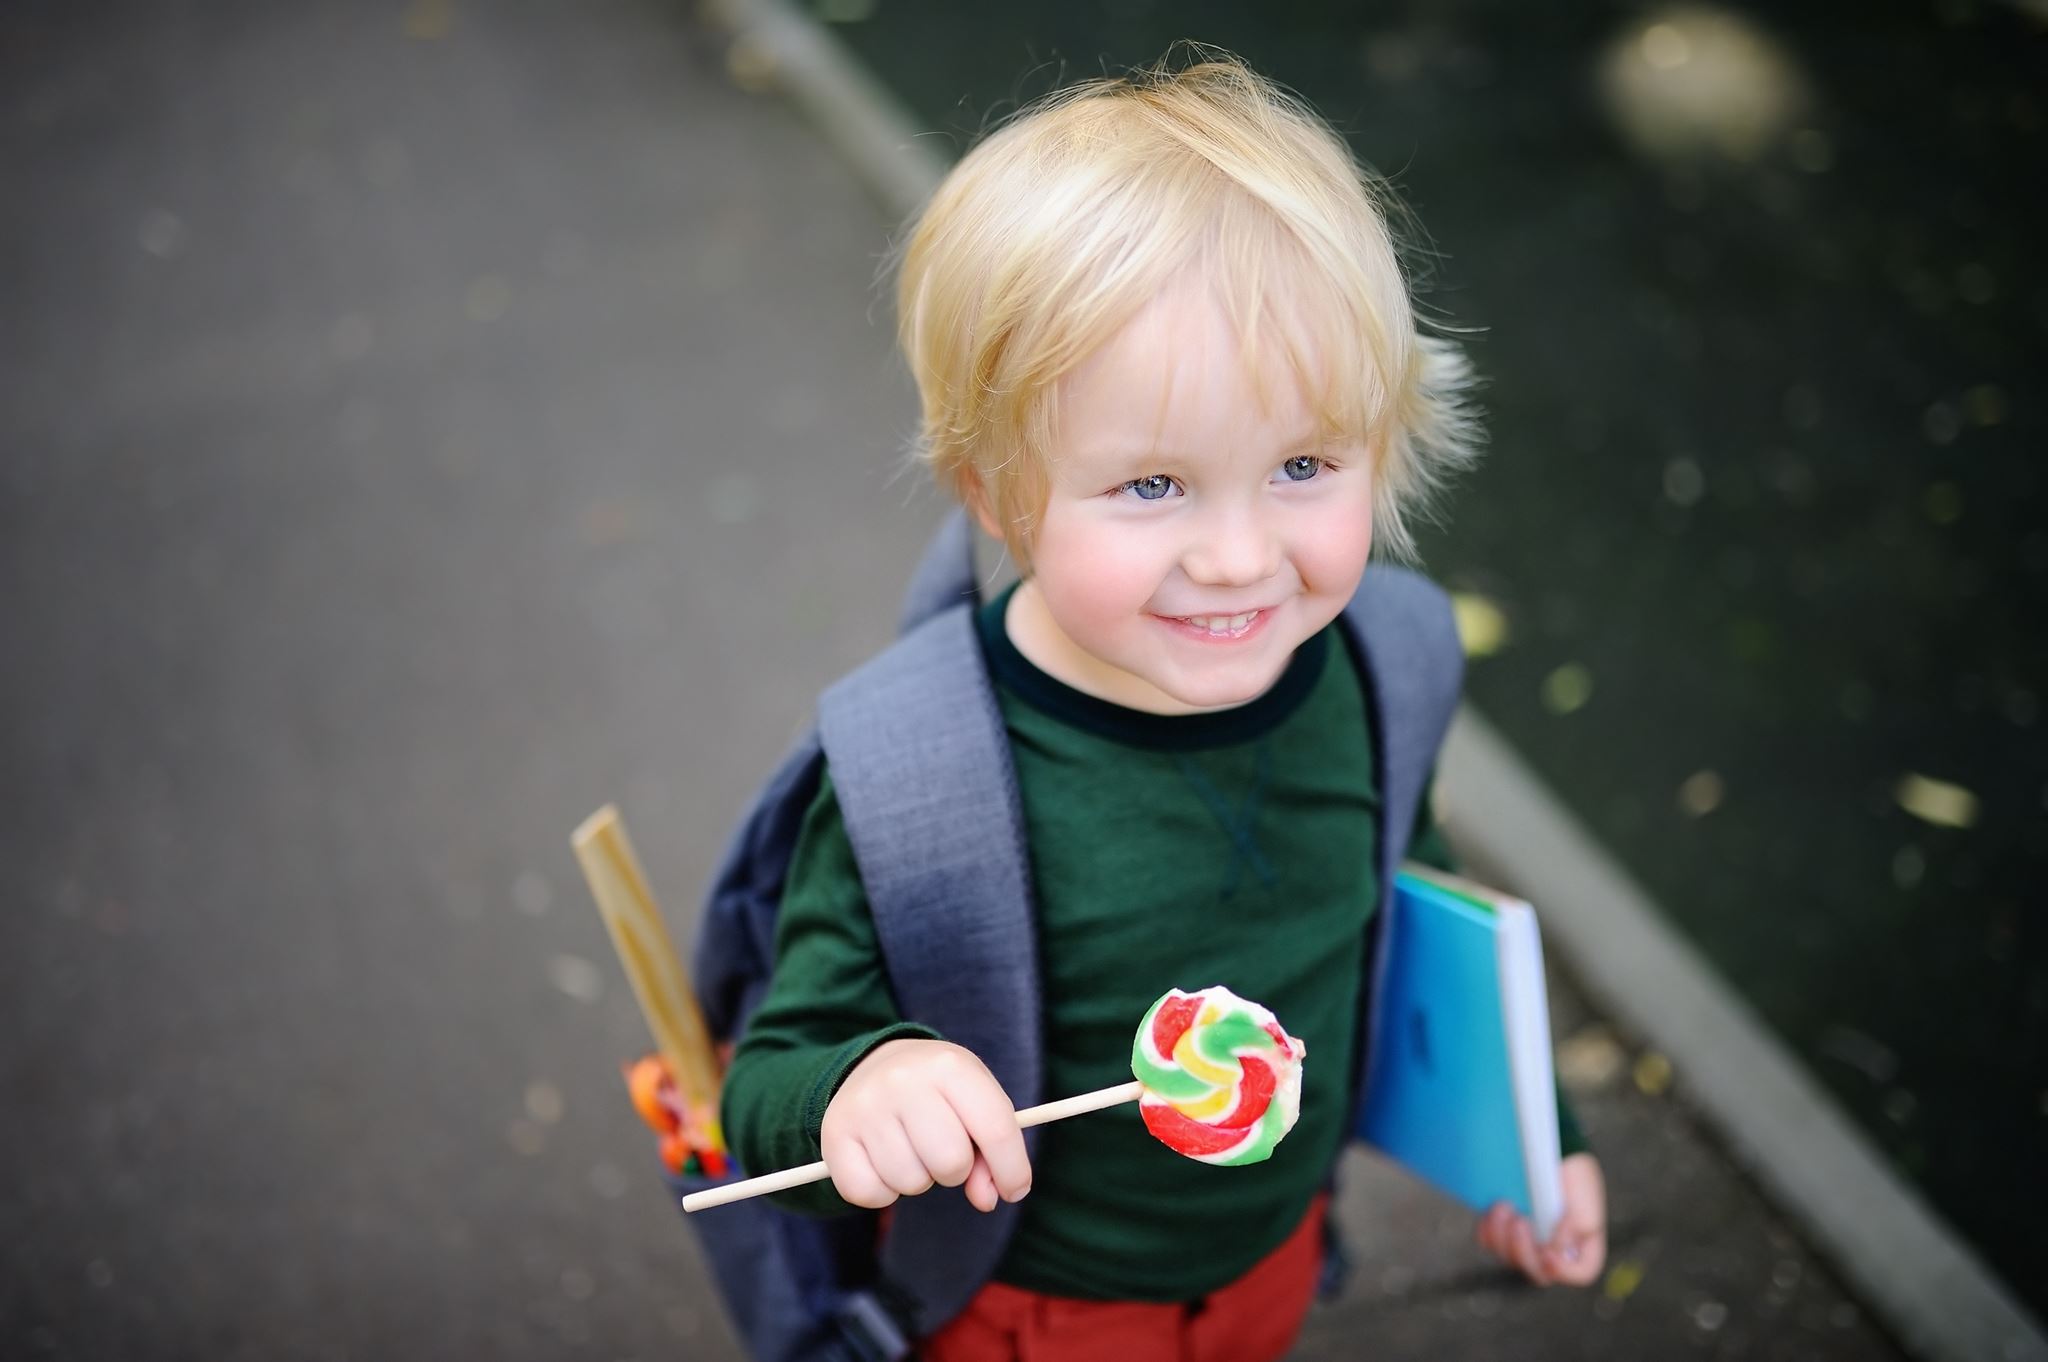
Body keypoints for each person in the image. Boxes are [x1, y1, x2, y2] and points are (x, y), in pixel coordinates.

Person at [719, 50, 1608, 1362]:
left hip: (1274, 1264)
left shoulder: (1379, 668)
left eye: (1304, 463)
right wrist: (866, 1082)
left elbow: (1404, 883)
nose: (1242, 556)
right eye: (1153, 486)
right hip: (1031, 1312)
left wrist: (1536, 1138)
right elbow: (769, 1072)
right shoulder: (920, 779)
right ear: (997, 492)